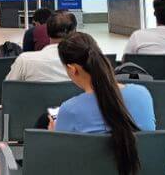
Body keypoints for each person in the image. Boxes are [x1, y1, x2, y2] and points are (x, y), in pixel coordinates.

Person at [52, 32, 155, 175]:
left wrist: (53, 134)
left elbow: (60, 156)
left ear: (72, 69)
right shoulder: (143, 94)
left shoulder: (70, 109)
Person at [6, 12, 77, 82]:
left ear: (47, 32)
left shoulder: (24, 60)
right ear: (74, 32)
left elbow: (8, 86)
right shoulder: (81, 62)